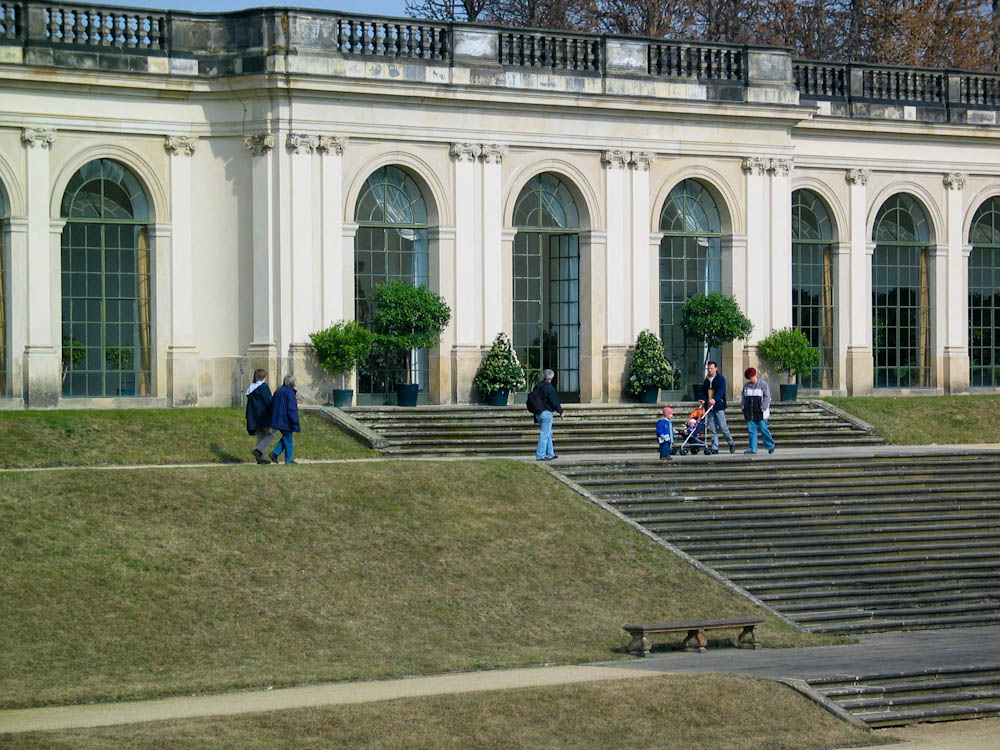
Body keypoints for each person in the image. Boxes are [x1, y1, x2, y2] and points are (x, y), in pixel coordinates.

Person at [699, 360, 735, 455]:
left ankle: (730, 442)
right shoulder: (706, 380)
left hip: (718, 406)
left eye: (711, 368)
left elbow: (721, 391)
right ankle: (715, 446)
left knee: (723, 427)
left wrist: (715, 399)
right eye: (708, 368)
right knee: (712, 427)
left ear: (716, 368)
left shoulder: (720, 379)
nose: (710, 370)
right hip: (709, 407)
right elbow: (704, 392)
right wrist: (703, 399)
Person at [741, 367, 775, 455]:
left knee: (764, 429)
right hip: (750, 412)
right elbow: (744, 398)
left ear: (755, 375)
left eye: (751, 377)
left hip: (761, 412)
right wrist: (743, 407)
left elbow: (767, 397)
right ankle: (753, 448)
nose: (751, 379)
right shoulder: (746, 386)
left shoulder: (763, 385)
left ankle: (770, 445)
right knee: (751, 430)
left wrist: (763, 407)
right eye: (749, 378)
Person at [533, 369, 564, 461]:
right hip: (546, 413)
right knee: (545, 434)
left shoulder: (537, 386)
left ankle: (550, 453)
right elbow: (554, 401)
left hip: (538, 413)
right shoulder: (549, 387)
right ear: (552, 378)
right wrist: (560, 411)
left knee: (548, 433)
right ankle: (540, 455)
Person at [269, 374, 301, 464]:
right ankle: (288, 459)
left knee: (286, 438)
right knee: (289, 439)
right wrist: (295, 420)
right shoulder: (290, 393)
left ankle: (275, 453)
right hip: (285, 419)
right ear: (292, 383)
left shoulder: (278, 391)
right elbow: (292, 409)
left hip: (277, 418)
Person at [245, 368, 275, 464]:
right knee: (270, 434)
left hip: (255, 417)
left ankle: (261, 458)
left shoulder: (251, 388)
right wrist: (273, 412)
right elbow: (269, 401)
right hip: (264, 416)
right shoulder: (263, 387)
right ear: (264, 377)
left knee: (261, 436)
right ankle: (258, 450)